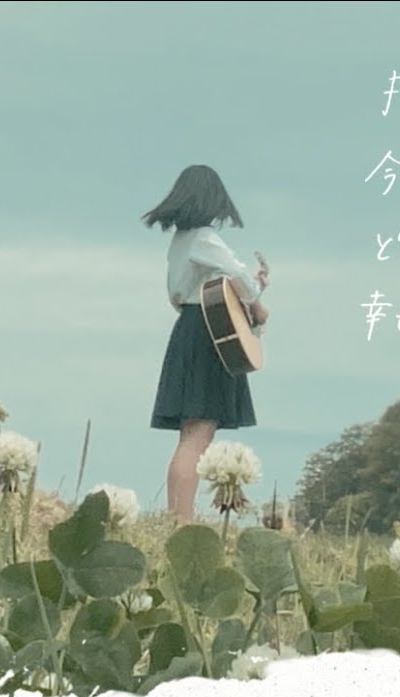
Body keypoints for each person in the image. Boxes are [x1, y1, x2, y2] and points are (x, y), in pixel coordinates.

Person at [142, 164, 269, 522]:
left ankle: (176, 516)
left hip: (189, 325)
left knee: (191, 434)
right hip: (210, 332)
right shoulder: (203, 238)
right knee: (199, 434)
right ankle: (181, 520)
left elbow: (185, 291)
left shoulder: (180, 242)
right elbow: (238, 275)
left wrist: (250, 290)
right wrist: (257, 299)